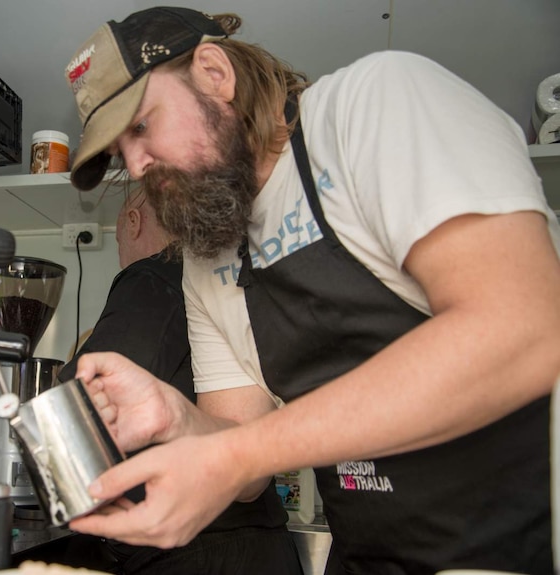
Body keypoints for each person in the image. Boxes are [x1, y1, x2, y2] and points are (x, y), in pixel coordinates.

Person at [60, 6, 560, 575]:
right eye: (120, 152)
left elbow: (523, 328)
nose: (137, 162)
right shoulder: (208, 259)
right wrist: (177, 420)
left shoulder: (373, 106)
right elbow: (246, 475)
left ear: (214, 73)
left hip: (525, 543)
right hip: (367, 557)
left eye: (142, 126)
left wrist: (235, 453)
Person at [54, 189, 302, 575]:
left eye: (119, 240)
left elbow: (79, 412)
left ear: (133, 223)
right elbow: (245, 447)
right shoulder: (212, 283)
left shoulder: (148, 278)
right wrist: (176, 416)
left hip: (195, 553)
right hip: (263, 544)